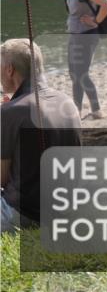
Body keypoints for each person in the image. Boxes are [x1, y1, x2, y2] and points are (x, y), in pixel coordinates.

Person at [1, 38, 82, 232]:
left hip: (25, 213)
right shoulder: (67, 101)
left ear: (10, 70)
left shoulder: (11, 112)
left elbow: (1, 178)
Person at [61, 0, 107, 119]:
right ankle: (91, 110)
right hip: (75, 34)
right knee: (73, 72)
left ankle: (85, 111)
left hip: (87, 35)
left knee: (80, 74)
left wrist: (95, 20)